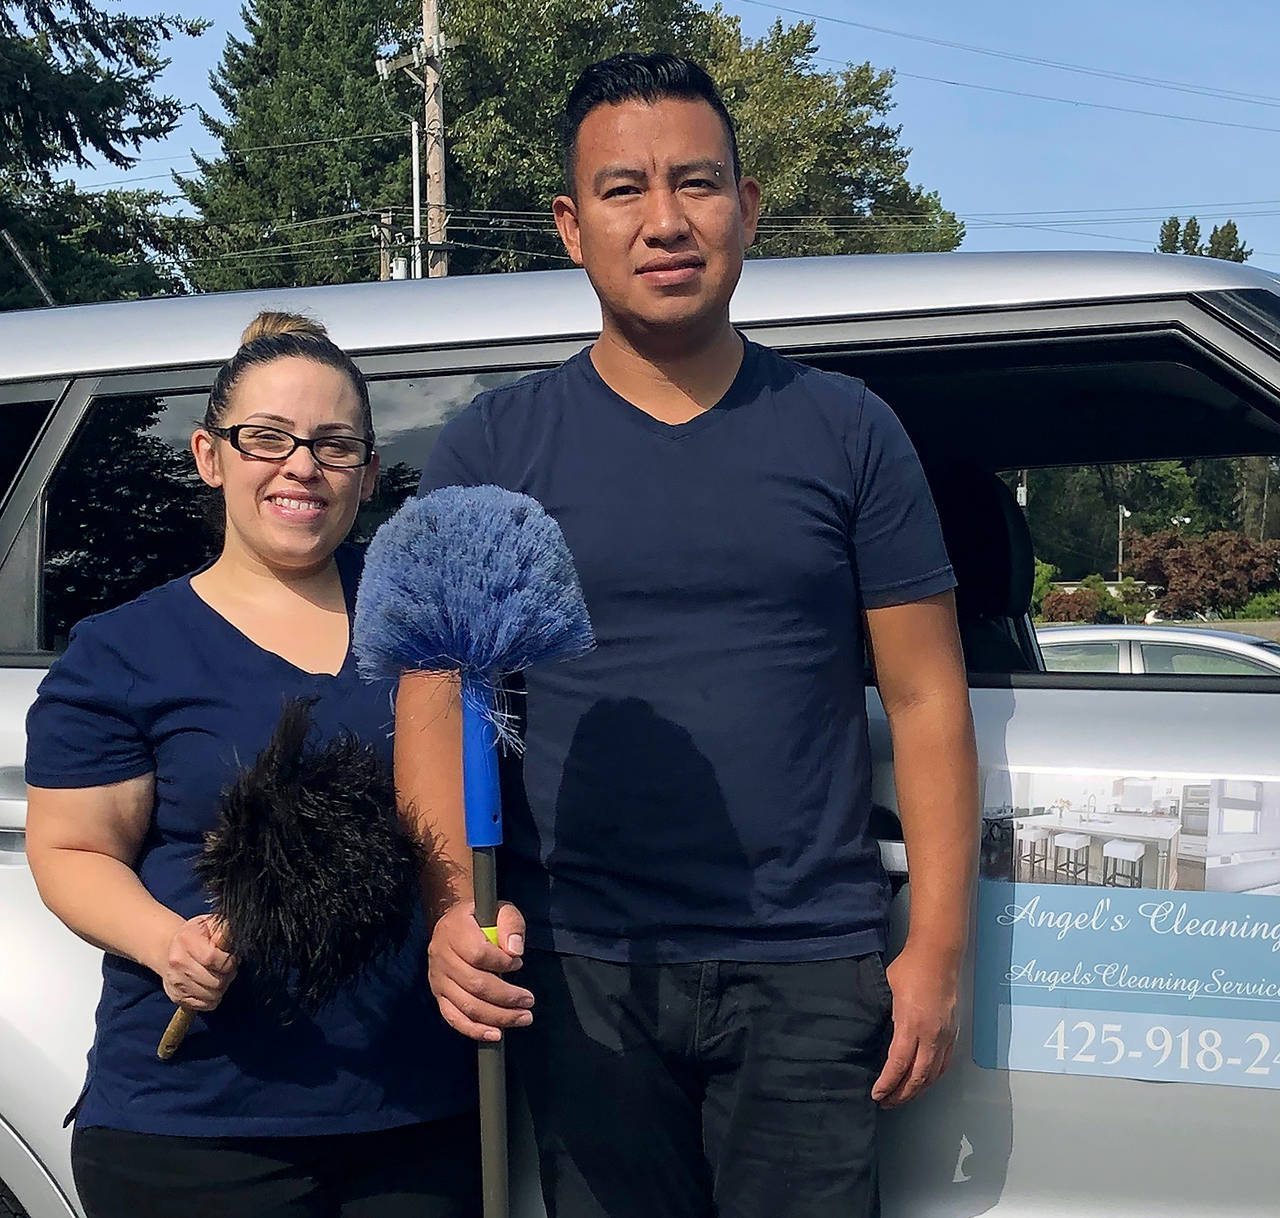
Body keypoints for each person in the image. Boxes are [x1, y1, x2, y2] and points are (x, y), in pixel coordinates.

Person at [404, 53, 979, 1218]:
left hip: (810, 962)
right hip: (576, 966)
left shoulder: (847, 432)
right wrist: (445, 912)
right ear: (570, 225)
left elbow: (922, 697)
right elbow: (436, 699)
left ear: (747, 207)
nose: (664, 220)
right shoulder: (491, 450)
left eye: (696, 183)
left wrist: (932, 952)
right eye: (622, 190)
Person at [25, 313, 479, 1218]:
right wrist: (168, 942)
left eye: (332, 444)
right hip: (197, 1128)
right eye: (266, 438)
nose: (300, 466)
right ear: (210, 455)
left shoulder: (435, 636)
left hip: (418, 1118)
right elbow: (71, 850)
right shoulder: (123, 652)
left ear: (369, 472)